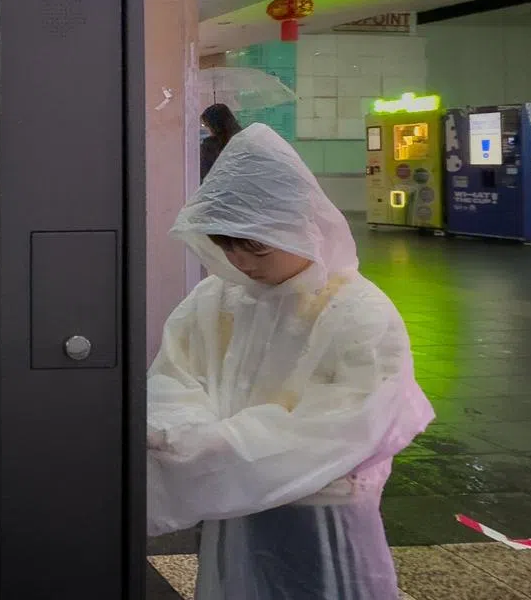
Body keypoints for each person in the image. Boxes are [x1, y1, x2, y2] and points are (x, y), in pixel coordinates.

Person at [146, 123, 434, 599]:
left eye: (256, 246)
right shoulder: (218, 298)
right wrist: (185, 433)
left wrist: (214, 447)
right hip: (235, 508)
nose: (241, 262)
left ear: (303, 229)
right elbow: (177, 375)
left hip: (324, 518)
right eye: (227, 247)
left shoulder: (359, 311)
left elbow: (344, 425)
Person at [199, 102, 241, 181]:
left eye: (206, 125)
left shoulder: (210, 146)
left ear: (213, 125)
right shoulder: (242, 139)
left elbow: (204, 174)